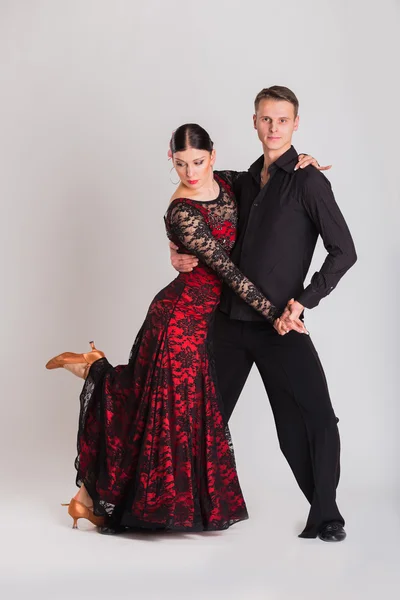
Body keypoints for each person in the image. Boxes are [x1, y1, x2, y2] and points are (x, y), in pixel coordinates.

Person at [46, 123, 319, 534]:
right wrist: (277, 314)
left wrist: (301, 165)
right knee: (164, 414)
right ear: (169, 160)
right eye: (180, 164)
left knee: (152, 408)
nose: (190, 173)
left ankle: (88, 490)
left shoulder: (225, 181)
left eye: (197, 161)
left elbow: (260, 177)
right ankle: (97, 380)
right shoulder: (183, 210)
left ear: (213, 155)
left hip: (205, 318)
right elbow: (229, 273)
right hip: (180, 319)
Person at [170, 87, 357, 542]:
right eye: (265, 119)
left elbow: (344, 252)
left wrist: (305, 300)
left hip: (281, 324)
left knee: (314, 418)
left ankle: (326, 512)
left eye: (282, 120)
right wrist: (176, 251)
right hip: (229, 321)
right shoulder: (242, 180)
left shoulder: (310, 181)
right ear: (254, 122)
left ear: (295, 125)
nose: (273, 128)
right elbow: (189, 198)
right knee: (203, 416)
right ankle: (178, 508)